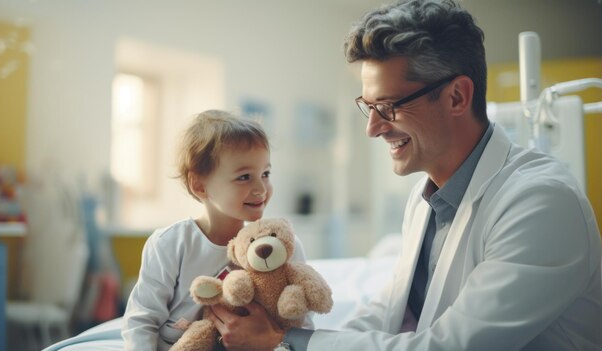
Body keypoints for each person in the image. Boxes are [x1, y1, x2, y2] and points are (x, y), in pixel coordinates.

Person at [207, 0, 602, 350]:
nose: (373, 127)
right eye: (368, 105)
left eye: (389, 106)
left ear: (457, 97)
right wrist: (279, 337)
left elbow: (450, 346)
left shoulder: (540, 202)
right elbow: (389, 312)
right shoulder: (425, 197)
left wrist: (284, 342)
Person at [121, 109, 312, 351]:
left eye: (265, 174)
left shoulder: (279, 245)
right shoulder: (171, 244)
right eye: (244, 177)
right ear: (199, 185)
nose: (261, 188)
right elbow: (142, 319)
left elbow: (301, 323)